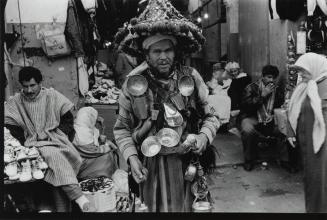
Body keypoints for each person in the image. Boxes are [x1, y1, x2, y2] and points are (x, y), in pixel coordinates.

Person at [113, 0, 220, 212]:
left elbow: (212, 116)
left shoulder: (190, 77)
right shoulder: (132, 84)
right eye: (156, 51)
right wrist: (132, 159)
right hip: (149, 166)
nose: (163, 57)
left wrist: (203, 137)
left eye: (168, 50)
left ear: (175, 50)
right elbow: (122, 129)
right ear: (146, 53)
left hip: (186, 165)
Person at [4, 67, 96, 212]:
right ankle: (79, 198)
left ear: (40, 83)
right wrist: (24, 142)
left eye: (32, 85)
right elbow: (11, 125)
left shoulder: (52, 96)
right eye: (25, 86)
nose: (29, 90)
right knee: (51, 154)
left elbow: (67, 120)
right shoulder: (16, 101)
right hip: (32, 142)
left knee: (57, 158)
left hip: (55, 138)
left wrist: (59, 135)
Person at [288, 52, 327, 213]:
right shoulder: (305, 86)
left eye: (304, 70)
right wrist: (291, 131)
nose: (300, 74)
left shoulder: (324, 85)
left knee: (320, 180)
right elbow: (293, 108)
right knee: (311, 179)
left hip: (322, 144)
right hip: (308, 143)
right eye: (299, 70)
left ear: (315, 68)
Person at [238, 64, 286, 171]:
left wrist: (273, 115)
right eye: (269, 77)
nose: (271, 80)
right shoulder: (251, 88)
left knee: (286, 128)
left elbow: (279, 107)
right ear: (262, 76)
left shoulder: (277, 90)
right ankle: (249, 160)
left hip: (270, 120)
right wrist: (262, 95)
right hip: (252, 117)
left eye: (274, 78)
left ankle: (285, 160)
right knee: (247, 130)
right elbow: (246, 107)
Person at [73, 106, 118, 181]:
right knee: (107, 156)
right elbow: (93, 151)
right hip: (82, 161)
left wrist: (101, 135)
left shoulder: (80, 125)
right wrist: (107, 146)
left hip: (85, 154)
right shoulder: (82, 134)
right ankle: (101, 177)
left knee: (108, 147)